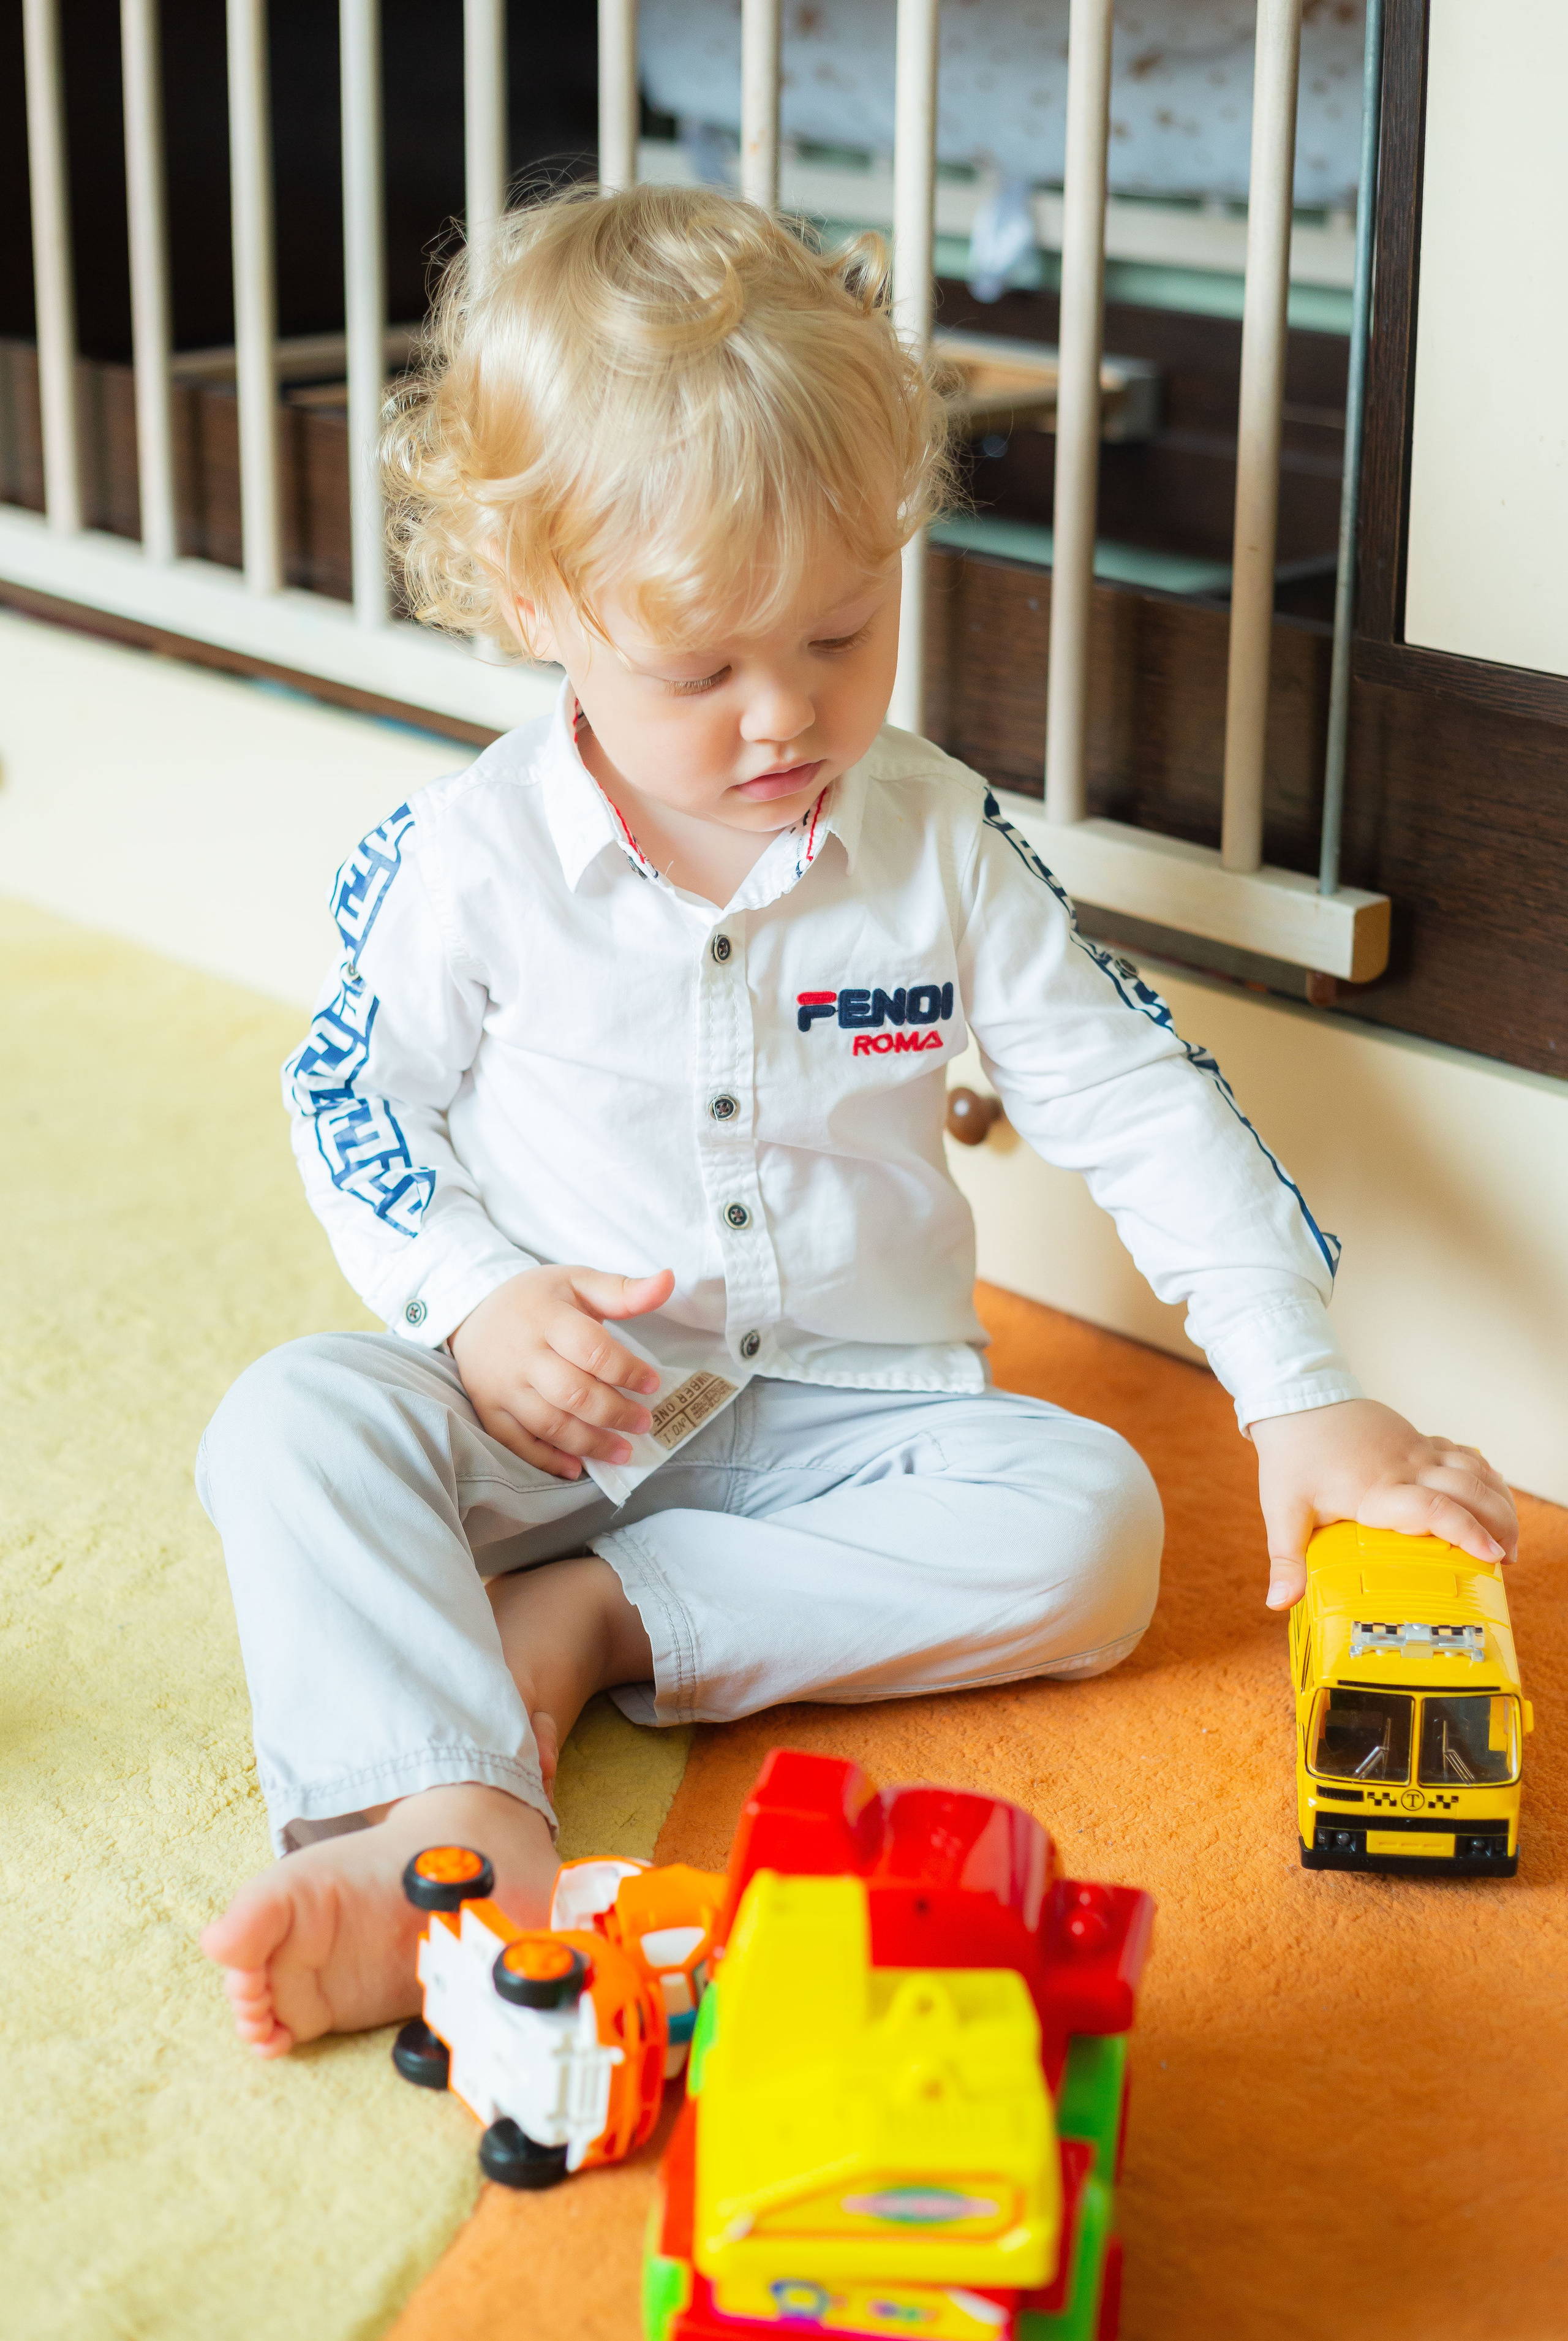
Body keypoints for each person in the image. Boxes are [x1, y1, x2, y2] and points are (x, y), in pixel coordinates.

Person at [198, 184, 1517, 2057]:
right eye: (700, 668)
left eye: (841, 633)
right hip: (543, 1413)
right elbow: (350, 1098)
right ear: (533, 607)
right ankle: (441, 1823)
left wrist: (1298, 1388)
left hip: (854, 1433)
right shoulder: (472, 859)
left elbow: (1136, 1098)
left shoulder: (938, 842)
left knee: (1101, 1527)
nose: (784, 719)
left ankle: (595, 1627)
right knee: (292, 1429)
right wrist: (481, 1298)